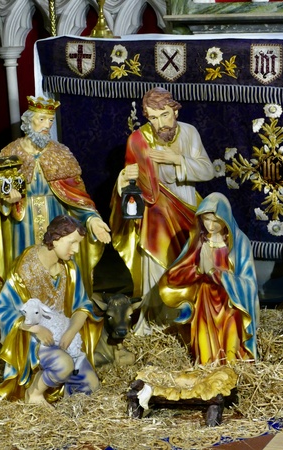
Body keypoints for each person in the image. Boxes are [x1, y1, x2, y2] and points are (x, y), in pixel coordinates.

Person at [110, 87, 214, 334]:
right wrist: (124, 177)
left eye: (165, 115)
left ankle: (188, 319)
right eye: (153, 118)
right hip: (154, 214)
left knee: (189, 263)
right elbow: (130, 188)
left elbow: (208, 171)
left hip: (187, 209)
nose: (160, 124)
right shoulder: (138, 140)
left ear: (175, 111)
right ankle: (156, 321)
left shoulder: (189, 133)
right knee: (158, 263)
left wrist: (177, 160)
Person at [0, 96, 111, 294]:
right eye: (42, 119)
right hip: (22, 224)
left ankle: (61, 305)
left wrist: (92, 219)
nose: (47, 125)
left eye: (50, 120)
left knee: (58, 270)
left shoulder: (61, 153)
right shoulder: (10, 152)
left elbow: (77, 196)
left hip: (56, 218)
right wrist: (7, 200)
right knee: (26, 270)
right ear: (28, 121)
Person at [0, 215, 103, 405]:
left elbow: (82, 305)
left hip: (63, 334)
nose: (76, 250)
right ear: (55, 238)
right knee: (64, 365)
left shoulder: (69, 268)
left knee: (91, 385)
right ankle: (34, 394)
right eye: (72, 242)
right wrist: (35, 329)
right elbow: (2, 308)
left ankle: (65, 396)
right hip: (35, 340)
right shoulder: (25, 269)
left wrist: (71, 331)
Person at [159, 192, 259, 364]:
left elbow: (249, 284)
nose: (210, 226)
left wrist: (216, 273)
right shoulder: (198, 241)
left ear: (226, 219)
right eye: (206, 219)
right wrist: (198, 270)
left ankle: (230, 375)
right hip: (205, 303)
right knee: (206, 354)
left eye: (216, 221)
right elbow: (174, 276)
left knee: (231, 353)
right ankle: (208, 375)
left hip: (230, 303)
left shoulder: (239, 243)